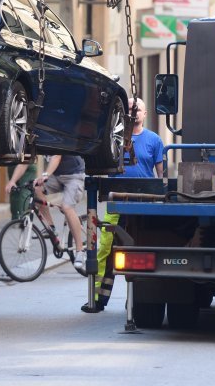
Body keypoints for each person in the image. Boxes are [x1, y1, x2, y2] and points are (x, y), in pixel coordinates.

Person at [83, 97, 164, 313]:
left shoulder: (154, 141)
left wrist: (159, 199)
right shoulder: (115, 139)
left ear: (145, 114)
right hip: (117, 203)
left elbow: (160, 175)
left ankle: (139, 299)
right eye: (129, 109)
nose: (134, 112)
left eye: (137, 109)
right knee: (105, 250)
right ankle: (98, 299)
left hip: (144, 204)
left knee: (141, 250)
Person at [32, 154, 86, 270]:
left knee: (67, 207)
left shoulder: (52, 136)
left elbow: (57, 156)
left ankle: (80, 251)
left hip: (74, 175)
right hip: (56, 176)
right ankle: (51, 228)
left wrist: (45, 174)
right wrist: (13, 181)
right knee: (37, 189)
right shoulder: (39, 138)